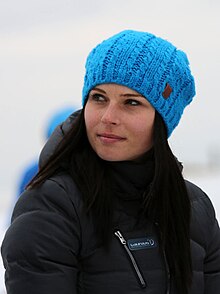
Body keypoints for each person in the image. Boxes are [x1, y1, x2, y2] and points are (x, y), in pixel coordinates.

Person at [1, 30, 220, 294]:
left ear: (162, 119)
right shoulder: (51, 206)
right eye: (99, 98)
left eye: (131, 102)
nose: (108, 117)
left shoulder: (194, 209)